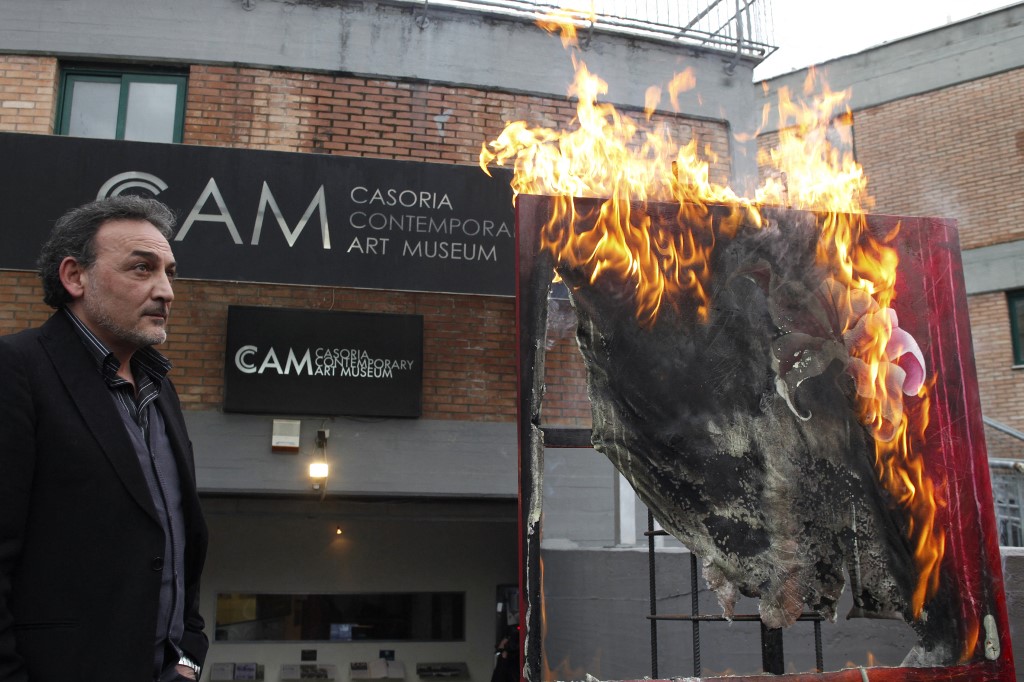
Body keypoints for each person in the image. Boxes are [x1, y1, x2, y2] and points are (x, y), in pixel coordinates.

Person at [0, 196, 209, 681]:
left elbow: (178, 546)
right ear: (75, 277)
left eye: (169, 273)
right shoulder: (17, 371)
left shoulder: (161, 391)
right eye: (142, 269)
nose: (165, 292)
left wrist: (188, 657)